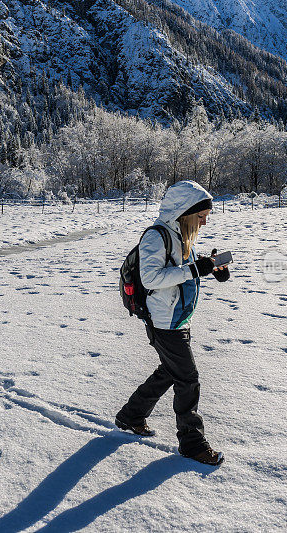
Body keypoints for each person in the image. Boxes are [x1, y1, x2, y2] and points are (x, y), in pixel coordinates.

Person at [115, 180, 229, 466]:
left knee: (169, 372)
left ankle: (131, 416)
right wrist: (195, 269)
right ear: (184, 211)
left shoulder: (181, 234)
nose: (204, 222)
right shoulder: (156, 236)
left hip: (177, 318)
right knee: (187, 379)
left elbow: (181, 269)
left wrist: (212, 268)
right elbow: (151, 278)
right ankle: (192, 443)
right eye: (201, 217)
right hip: (163, 321)